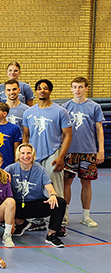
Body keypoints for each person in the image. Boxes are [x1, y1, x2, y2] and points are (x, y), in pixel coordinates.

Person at [61, 76, 105, 228]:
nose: (77, 90)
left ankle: (86, 216)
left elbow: (99, 129)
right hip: (69, 151)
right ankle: (64, 215)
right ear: (71, 89)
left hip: (88, 151)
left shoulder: (94, 107)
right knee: (66, 182)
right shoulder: (65, 107)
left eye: (80, 86)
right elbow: (60, 131)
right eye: (75, 87)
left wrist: (101, 150)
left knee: (86, 182)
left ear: (86, 88)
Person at [5, 143, 67, 248]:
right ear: (18, 155)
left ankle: (51, 235)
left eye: (29, 153)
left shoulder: (40, 169)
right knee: (0, 205)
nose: (26, 156)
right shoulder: (10, 169)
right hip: (17, 205)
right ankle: (21, 223)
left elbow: (49, 187)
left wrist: (52, 195)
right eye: (23, 153)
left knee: (60, 202)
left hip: (35, 204)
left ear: (33, 155)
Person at [22, 79, 73, 198]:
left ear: (50, 91)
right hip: (33, 154)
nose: (42, 91)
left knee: (55, 188)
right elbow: (26, 135)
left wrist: (61, 157)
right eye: (39, 88)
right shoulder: (28, 112)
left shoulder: (60, 111)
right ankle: (36, 211)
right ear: (35, 92)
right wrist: (24, 154)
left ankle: (60, 210)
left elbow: (68, 135)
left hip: (52, 153)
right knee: (33, 187)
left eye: (45, 88)